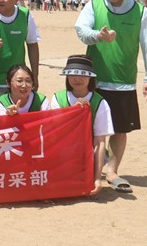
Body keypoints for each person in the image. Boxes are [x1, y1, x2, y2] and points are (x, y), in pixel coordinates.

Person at [75, 0, 147, 193]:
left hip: (124, 80)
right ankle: (90, 166)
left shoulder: (141, 12)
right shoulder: (94, 5)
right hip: (95, 79)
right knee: (91, 126)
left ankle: (112, 171)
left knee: (120, 128)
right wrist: (98, 35)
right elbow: (81, 29)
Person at [49, 55, 114, 193]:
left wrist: (97, 178)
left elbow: (100, 142)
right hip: (63, 150)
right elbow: (55, 131)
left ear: (90, 77)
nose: (77, 79)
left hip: (87, 152)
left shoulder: (100, 102)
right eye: (73, 74)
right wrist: (73, 111)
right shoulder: (57, 98)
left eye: (83, 74)